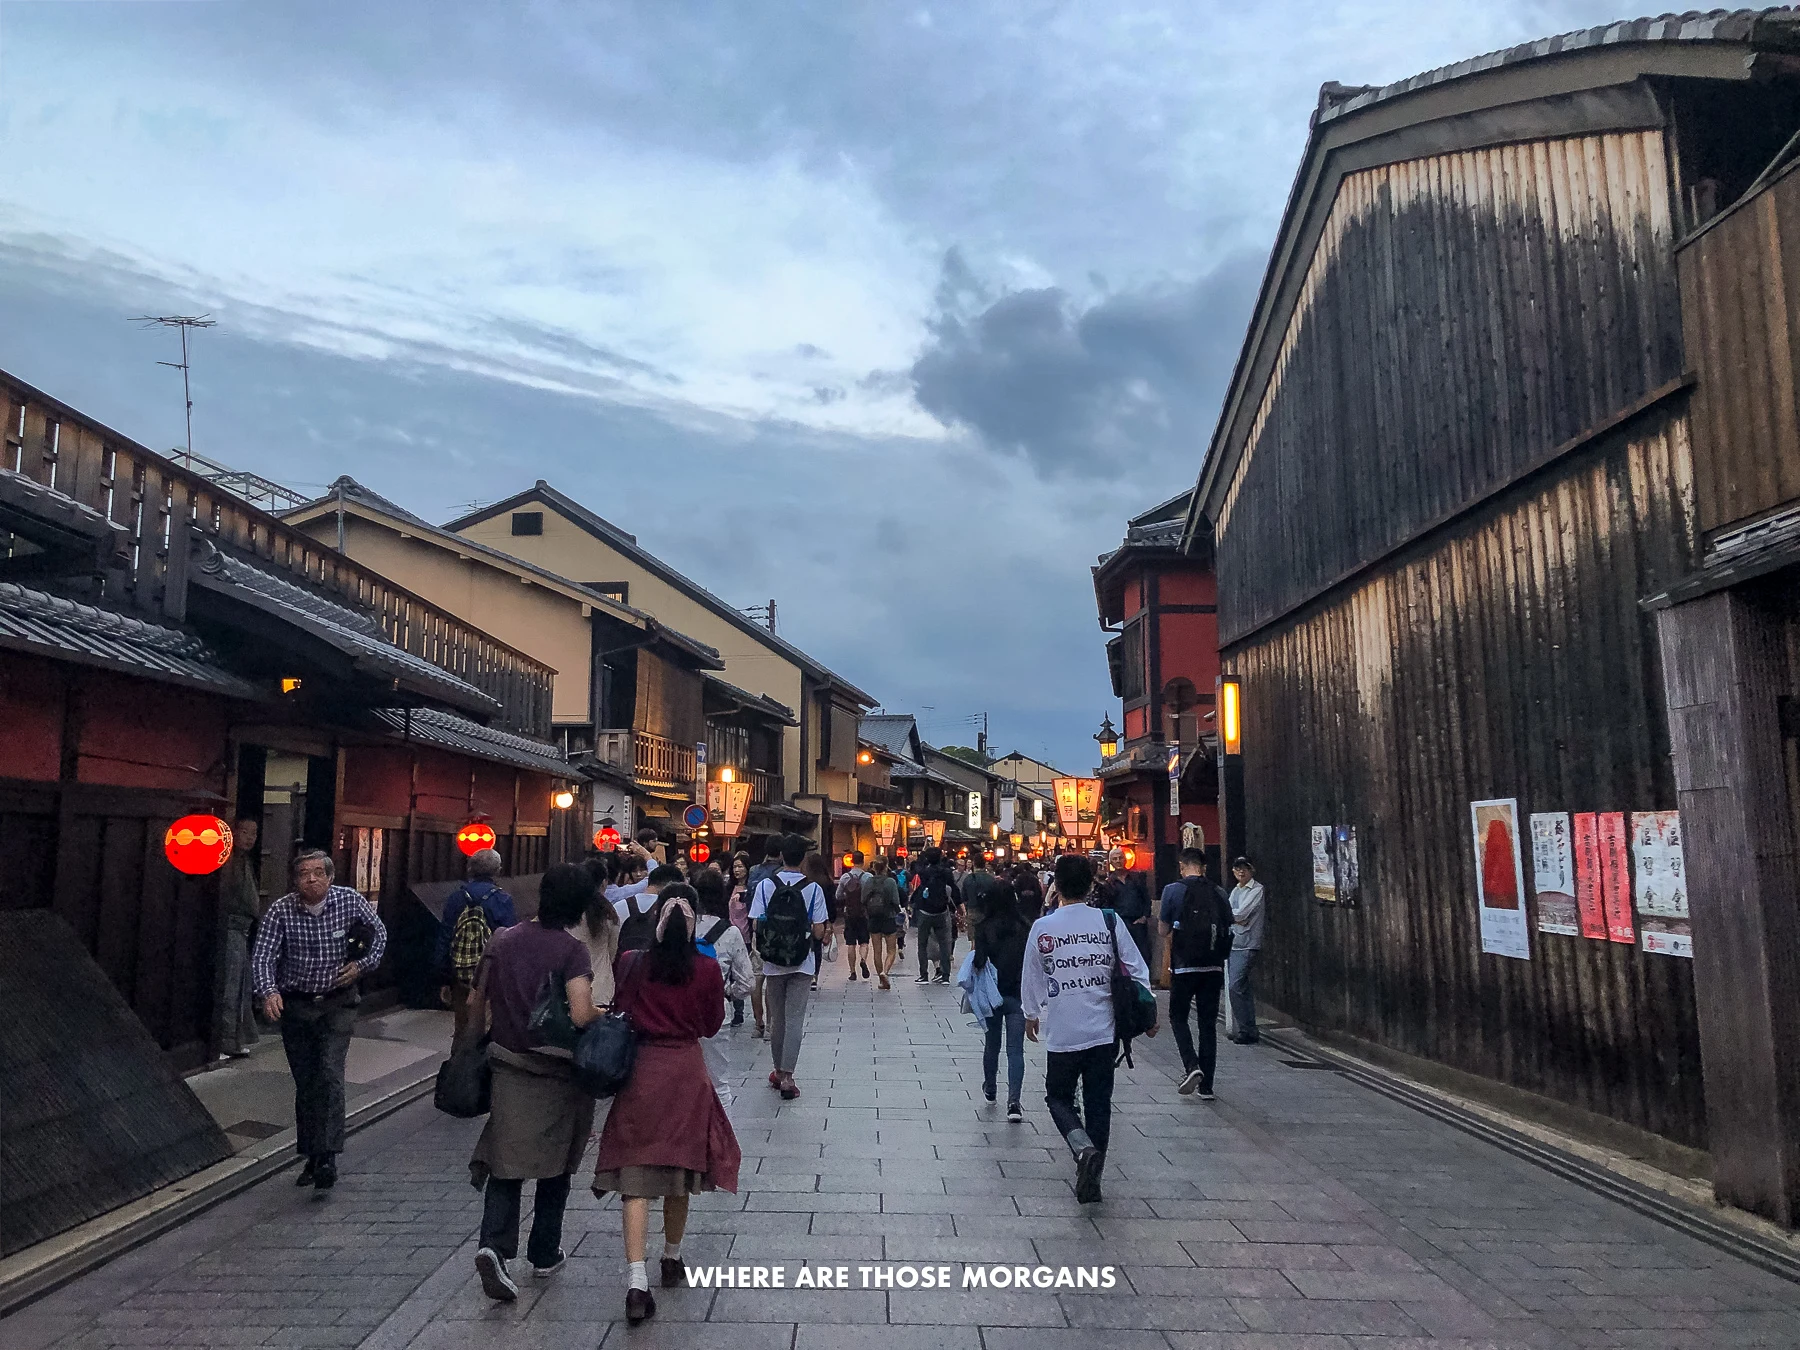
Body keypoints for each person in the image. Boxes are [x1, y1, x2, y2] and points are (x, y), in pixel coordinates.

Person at [592, 887, 741, 1325]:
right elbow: (713, 1024)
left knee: (636, 1178)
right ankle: (671, 1257)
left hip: (641, 1070)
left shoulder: (631, 963)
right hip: (685, 1072)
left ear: (656, 918)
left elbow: (620, 1008)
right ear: (694, 920)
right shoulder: (707, 968)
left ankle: (636, 1281)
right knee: (680, 1169)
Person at [467, 863, 603, 1301]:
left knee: (505, 1163)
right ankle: (543, 1251)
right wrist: (608, 1015)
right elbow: (581, 1013)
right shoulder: (570, 950)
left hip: (508, 1065)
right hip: (556, 1071)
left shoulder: (503, 940)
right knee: (557, 1164)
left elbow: (475, 1003)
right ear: (580, 905)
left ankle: (494, 1245)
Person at [251, 849, 388, 1193]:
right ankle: (311, 1153)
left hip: (336, 1004)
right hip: (296, 1004)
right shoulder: (282, 910)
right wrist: (268, 992)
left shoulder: (348, 901)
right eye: (303, 874)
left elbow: (379, 934)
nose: (310, 879)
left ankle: (328, 1155)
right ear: (295, 880)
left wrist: (361, 965)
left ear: (330, 877)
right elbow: (264, 953)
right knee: (307, 1080)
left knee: (329, 1072)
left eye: (317, 873)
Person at [1021, 853, 1153, 1204]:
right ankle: (1093, 1180)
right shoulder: (1108, 922)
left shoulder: (1043, 927)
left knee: (1057, 1096)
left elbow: (1032, 975)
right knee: (1099, 1104)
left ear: (1056, 886)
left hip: (1063, 1031)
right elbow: (1136, 969)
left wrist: (1031, 1013)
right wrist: (1148, 1011)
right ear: (1093, 884)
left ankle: (1081, 1149)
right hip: (1103, 1031)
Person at [748, 835, 830, 1099]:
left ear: (782, 856)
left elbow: (755, 924)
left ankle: (776, 1070)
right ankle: (788, 1076)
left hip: (773, 961)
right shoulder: (814, 889)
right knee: (795, 1018)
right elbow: (819, 931)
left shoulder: (764, 886)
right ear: (803, 859)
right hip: (802, 961)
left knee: (778, 1019)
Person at [1158, 849, 1236, 1099]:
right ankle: (1207, 1086)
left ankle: (1192, 1066)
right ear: (1203, 867)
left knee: (1178, 1016)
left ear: (1182, 866)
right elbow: (1228, 924)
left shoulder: (1172, 890)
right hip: (1213, 966)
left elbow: (1162, 930)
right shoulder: (1219, 892)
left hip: (1184, 966)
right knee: (1207, 1024)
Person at [435, 848, 518, 1040]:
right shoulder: (502, 899)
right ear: (498, 870)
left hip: (460, 972)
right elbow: (508, 940)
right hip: (490, 975)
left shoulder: (456, 898)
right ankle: (479, 1065)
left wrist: (443, 978)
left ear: (470, 869)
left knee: (462, 1027)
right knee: (486, 1028)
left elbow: (445, 937)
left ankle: (458, 1066)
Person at [973, 881, 1028, 1121]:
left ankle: (991, 1087)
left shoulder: (984, 927)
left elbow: (979, 961)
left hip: (992, 995)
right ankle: (1014, 1102)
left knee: (992, 1044)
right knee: (1016, 1050)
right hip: (1017, 994)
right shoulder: (1025, 926)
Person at [214, 815, 262, 1059]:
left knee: (241, 984)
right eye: (245, 832)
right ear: (233, 831)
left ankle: (233, 1038)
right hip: (230, 926)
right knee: (230, 985)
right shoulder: (227, 859)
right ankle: (224, 1040)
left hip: (242, 928)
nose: (250, 838)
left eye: (254, 833)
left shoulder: (243, 860)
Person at [692, 866, 755, 1009]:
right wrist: (727, 992)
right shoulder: (731, 932)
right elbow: (747, 983)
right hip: (716, 1009)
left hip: (683, 1012)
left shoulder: (680, 927)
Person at [1226, 857, 1266, 1044]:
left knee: (1236, 986)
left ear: (1252, 870)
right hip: (1234, 942)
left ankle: (1246, 1028)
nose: (1241, 872)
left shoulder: (1257, 889)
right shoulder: (1236, 890)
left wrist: (1233, 917)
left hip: (1248, 943)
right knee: (1241, 987)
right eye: (1237, 869)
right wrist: (1234, 917)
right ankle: (1248, 1029)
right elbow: (1230, 913)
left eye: (1245, 869)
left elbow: (1240, 914)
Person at [573, 859, 622, 1008]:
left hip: (571, 987)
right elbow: (612, 952)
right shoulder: (609, 913)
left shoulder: (570, 911)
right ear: (604, 882)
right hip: (602, 988)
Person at [1099, 849, 1153, 982]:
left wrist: (1145, 917)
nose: (1118, 861)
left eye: (1120, 858)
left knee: (1143, 952)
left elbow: (1146, 898)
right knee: (1121, 954)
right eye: (1115, 859)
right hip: (1120, 923)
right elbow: (1106, 905)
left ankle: (1144, 981)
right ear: (1111, 862)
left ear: (1125, 859)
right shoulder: (1108, 883)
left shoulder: (1136, 878)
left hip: (1137, 922)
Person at [912, 848, 958, 984]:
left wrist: (923, 853)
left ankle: (924, 975)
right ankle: (945, 976)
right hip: (941, 910)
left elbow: (917, 865)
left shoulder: (924, 872)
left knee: (922, 943)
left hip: (925, 910)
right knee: (944, 943)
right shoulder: (946, 872)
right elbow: (953, 888)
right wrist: (959, 906)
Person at [863, 857, 902, 989]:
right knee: (891, 950)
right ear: (886, 867)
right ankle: (885, 972)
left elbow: (863, 899)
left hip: (873, 918)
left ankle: (881, 978)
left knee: (877, 951)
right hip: (888, 917)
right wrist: (899, 912)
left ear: (874, 868)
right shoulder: (890, 882)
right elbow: (896, 901)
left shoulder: (869, 881)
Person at [802, 851, 837, 991]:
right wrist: (830, 921)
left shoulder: (806, 882)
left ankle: (806, 971)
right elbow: (832, 903)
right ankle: (814, 975)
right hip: (822, 918)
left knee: (806, 945)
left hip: (806, 918)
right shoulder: (827, 881)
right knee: (817, 947)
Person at [725, 853, 753, 1025]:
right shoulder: (728, 888)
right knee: (729, 974)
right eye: (735, 866)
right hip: (729, 934)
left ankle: (739, 1011)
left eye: (741, 866)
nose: (737, 870)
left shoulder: (752, 888)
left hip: (746, 936)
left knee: (739, 973)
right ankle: (734, 1009)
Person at [838, 851, 871, 982]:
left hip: (850, 913)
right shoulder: (868, 877)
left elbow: (838, 895)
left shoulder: (845, 877)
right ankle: (863, 959)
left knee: (850, 943)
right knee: (864, 941)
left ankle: (852, 971)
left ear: (852, 861)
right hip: (864, 913)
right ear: (863, 861)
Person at [959, 856, 997, 945]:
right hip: (988, 913)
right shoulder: (991, 879)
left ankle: (974, 955)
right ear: (985, 864)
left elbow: (963, 897)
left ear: (974, 864)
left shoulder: (968, 879)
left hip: (972, 911)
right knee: (987, 940)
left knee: (974, 941)